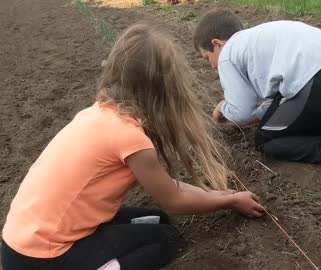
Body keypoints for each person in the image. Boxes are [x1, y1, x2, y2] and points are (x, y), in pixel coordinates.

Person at [1, 22, 265, 270]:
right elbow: (173, 200)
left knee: (156, 219)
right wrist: (228, 202)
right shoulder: (130, 136)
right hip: (41, 256)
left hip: (21, 240)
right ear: (162, 87)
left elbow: (169, 187)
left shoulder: (99, 112)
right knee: (163, 239)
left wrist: (221, 196)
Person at [193, 9, 321, 189]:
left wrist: (223, 109)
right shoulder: (259, 39)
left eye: (206, 58)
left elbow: (242, 111)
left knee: (266, 140)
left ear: (217, 44)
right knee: (284, 124)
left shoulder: (228, 53)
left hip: (319, 83)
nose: (211, 66)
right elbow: (275, 106)